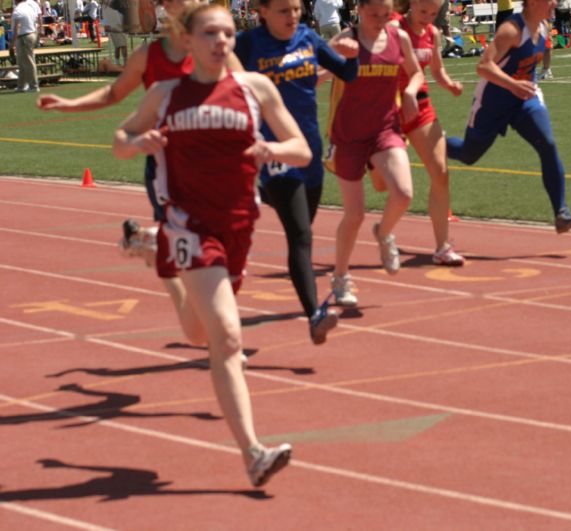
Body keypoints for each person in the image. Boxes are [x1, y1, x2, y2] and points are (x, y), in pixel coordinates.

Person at [113, 2, 311, 487]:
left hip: (239, 223)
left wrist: (273, 149)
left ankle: (150, 252)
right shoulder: (165, 94)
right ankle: (254, 453)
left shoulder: (254, 89)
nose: (222, 41)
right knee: (225, 336)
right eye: (211, 34)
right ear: (189, 38)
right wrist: (137, 144)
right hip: (188, 223)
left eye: (228, 33)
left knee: (198, 334)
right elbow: (121, 137)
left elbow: (301, 148)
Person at [37, 0, 240, 351]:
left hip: (213, 167)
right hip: (166, 168)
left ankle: (153, 249)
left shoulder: (216, 47)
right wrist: (70, 104)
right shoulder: (149, 56)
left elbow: (245, 94)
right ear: (166, 6)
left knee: (215, 252)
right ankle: (219, 334)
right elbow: (115, 93)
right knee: (189, 257)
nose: (188, 3)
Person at [234, 0, 360, 343]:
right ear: (261, 10)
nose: (292, 17)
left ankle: (254, 193)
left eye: (295, 9)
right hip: (272, 150)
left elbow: (348, 73)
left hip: (308, 150)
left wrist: (352, 53)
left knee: (303, 220)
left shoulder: (308, 38)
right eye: (282, 11)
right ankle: (314, 314)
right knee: (301, 235)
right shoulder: (247, 45)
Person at [446, 0, 571, 234]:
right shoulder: (511, 30)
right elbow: (483, 67)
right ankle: (436, 142)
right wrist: (512, 84)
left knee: (547, 144)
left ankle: (562, 212)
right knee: (469, 154)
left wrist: (526, 88)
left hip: (524, 101)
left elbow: (528, 68)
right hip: (493, 101)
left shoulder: (543, 27)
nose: (555, 3)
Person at [324, 0, 424, 306]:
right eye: (373, 14)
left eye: (386, 14)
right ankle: (340, 278)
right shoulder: (345, 41)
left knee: (404, 193)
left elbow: (416, 72)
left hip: (385, 129)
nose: (381, 20)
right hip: (349, 136)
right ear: (359, 9)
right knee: (354, 215)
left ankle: (384, 232)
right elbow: (316, 73)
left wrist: (409, 92)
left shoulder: (398, 37)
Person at [389, 0, 465, 266]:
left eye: (433, 14)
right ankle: (383, 231)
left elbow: (436, 70)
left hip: (420, 105)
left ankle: (442, 247)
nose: (428, 18)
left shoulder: (432, 33)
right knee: (382, 183)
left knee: (440, 172)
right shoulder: (393, 27)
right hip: (389, 108)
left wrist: (450, 84)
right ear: (412, 4)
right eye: (423, 12)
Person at [11, 0, 39, 93]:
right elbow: (36, 19)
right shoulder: (29, 7)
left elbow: (17, 28)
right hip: (32, 34)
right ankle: (21, 86)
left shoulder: (17, 10)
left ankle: (34, 86)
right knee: (22, 62)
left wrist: (12, 44)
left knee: (28, 62)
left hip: (23, 37)